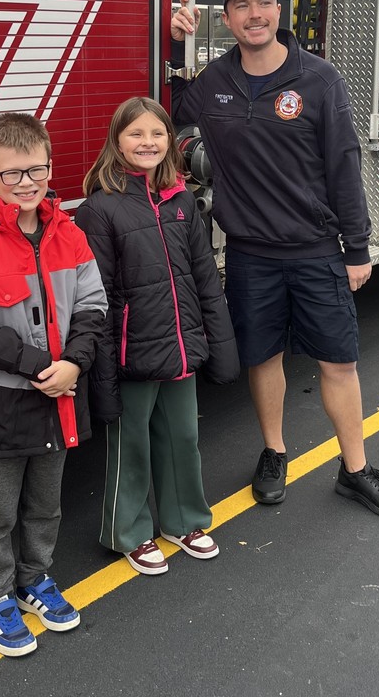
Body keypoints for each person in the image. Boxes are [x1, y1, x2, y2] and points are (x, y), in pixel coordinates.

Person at [169, 0, 379, 519]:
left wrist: (357, 247)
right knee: (263, 358)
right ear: (226, 18)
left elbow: (344, 165)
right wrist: (172, 39)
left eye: (264, 2)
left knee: (338, 362)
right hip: (251, 254)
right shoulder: (214, 84)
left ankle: (356, 470)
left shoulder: (320, 79)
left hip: (317, 250)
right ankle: (274, 452)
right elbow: (165, 106)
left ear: (280, 11)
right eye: (242, 5)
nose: (254, 14)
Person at [0, 112, 107, 657]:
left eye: (37, 169)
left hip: (60, 398)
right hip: (0, 406)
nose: (27, 182)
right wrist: (43, 368)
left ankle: (35, 579)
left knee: (46, 504)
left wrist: (75, 365)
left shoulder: (70, 233)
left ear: (50, 167)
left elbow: (94, 308)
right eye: (12, 173)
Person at [75, 97, 240, 575]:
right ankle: (128, 531)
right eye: (135, 134)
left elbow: (204, 276)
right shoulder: (100, 210)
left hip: (181, 346)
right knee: (132, 446)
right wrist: (102, 369)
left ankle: (183, 520)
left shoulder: (181, 200)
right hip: (132, 353)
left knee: (183, 437)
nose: (147, 142)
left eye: (157, 134)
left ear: (170, 141)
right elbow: (96, 298)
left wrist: (219, 344)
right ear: (116, 141)